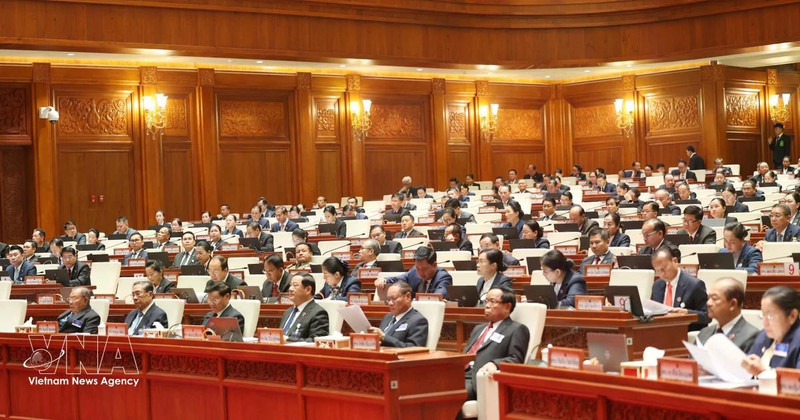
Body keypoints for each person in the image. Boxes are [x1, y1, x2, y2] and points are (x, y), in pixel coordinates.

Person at [463, 286, 530, 401]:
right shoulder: (478, 329)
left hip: (477, 380)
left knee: (450, 396)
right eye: (486, 301)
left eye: (492, 301)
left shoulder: (516, 329)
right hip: (458, 374)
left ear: (507, 306)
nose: (487, 305)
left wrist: (495, 364)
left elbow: (516, 359)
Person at [743, 286, 800, 376]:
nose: (765, 323)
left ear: (792, 316)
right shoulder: (763, 335)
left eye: (770, 316)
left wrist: (765, 373)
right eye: (763, 315)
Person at [650, 247, 709, 331]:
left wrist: (687, 313)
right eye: (658, 271)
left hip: (684, 332)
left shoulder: (695, 285)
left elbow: (707, 316)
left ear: (675, 262)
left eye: (664, 268)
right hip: (660, 331)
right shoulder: (657, 285)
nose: (662, 274)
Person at [697, 278, 759, 352]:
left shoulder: (751, 336)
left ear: (732, 304)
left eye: (714, 298)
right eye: (708, 298)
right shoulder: (704, 333)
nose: (708, 303)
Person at [366, 281, 429, 348]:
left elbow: (414, 349)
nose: (390, 303)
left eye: (394, 298)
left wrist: (384, 337)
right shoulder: (387, 317)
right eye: (388, 299)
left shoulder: (418, 321)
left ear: (408, 297)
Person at [378, 247, 452, 299]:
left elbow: (436, 298)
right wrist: (384, 280)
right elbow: (399, 279)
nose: (420, 272)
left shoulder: (443, 277)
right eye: (417, 268)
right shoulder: (414, 271)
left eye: (424, 269)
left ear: (435, 265)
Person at [280, 273, 330, 342]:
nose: (290, 289)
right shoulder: (287, 312)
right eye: (290, 285)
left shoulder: (318, 313)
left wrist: (288, 340)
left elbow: (317, 341)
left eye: (295, 285)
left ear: (308, 290)